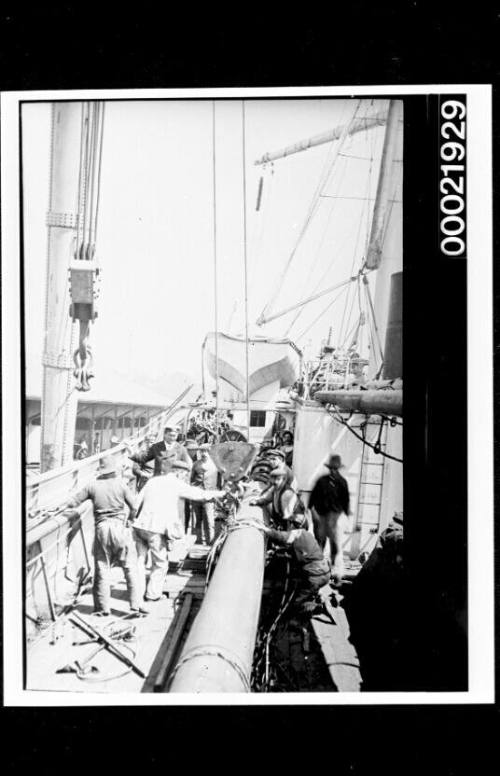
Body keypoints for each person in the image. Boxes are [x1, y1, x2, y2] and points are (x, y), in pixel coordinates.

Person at [61, 455, 146, 617]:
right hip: (120, 528)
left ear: (100, 470)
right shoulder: (121, 484)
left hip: (102, 529)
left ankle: (102, 608)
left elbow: (73, 502)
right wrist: (130, 520)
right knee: (130, 568)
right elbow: (134, 506)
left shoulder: (92, 486)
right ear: (114, 470)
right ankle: (136, 605)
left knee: (102, 569)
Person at [134, 456, 225, 600]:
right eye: (184, 475)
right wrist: (221, 493)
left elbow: (136, 502)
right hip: (155, 530)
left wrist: (133, 519)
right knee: (160, 564)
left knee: (139, 562)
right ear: (179, 473)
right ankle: (152, 595)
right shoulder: (176, 484)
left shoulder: (152, 481)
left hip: (139, 527)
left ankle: (136, 596)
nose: (185, 478)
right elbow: (199, 495)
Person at [262, 524, 331, 615]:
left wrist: (264, 529)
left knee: (295, 603)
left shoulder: (295, 536)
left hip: (314, 577)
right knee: (307, 588)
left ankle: (313, 607)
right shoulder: (307, 534)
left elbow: (279, 537)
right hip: (326, 573)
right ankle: (317, 598)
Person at [309, 453, 351, 585]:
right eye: (331, 468)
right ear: (329, 469)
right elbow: (311, 501)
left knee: (335, 545)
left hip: (335, 517)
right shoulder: (321, 481)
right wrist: (313, 514)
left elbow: (346, 503)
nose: (333, 471)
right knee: (319, 543)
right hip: (321, 516)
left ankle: (336, 572)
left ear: (338, 469)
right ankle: (319, 571)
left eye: (335, 469)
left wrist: (345, 520)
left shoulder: (343, 483)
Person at [250, 464, 307, 529]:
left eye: (278, 479)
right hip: (284, 524)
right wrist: (257, 502)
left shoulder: (287, 494)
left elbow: (287, 517)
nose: (275, 482)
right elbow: (266, 500)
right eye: (273, 479)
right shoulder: (275, 490)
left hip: (295, 526)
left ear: (284, 480)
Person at [190, 443, 219, 544]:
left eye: (206, 451)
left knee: (209, 520)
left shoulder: (216, 465)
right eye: (202, 451)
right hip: (197, 496)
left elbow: (220, 480)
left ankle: (210, 541)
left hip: (209, 496)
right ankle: (197, 541)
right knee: (196, 520)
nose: (204, 453)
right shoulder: (196, 464)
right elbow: (191, 479)